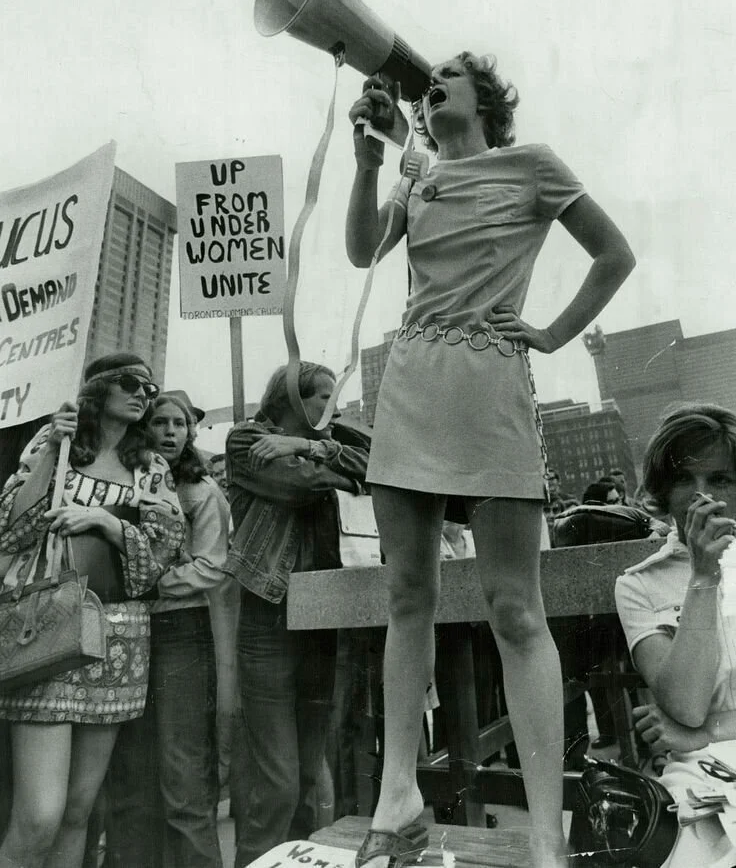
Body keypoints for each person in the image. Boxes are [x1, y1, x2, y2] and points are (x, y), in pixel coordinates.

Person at [345, 52, 635, 868]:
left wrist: (551, 334)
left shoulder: (533, 164)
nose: (430, 84)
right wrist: (367, 165)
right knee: (408, 594)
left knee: (516, 608)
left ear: (487, 99)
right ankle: (397, 797)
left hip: (491, 386)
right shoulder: (418, 175)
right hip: (411, 386)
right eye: (428, 80)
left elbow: (614, 254)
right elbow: (362, 250)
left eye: (449, 73)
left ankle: (545, 836)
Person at [0, 353, 185, 868]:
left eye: (149, 388)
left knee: (79, 810)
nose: (143, 394)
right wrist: (50, 451)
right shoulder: (53, 442)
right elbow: (8, 529)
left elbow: (164, 551)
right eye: (130, 382)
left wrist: (105, 521)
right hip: (46, 627)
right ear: (97, 388)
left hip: (120, 639)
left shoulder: (151, 466)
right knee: (39, 816)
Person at [224, 361, 370, 868]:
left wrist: (309, 446)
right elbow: (299, 486)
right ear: (290, 397)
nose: (333, 404)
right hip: (269, 615)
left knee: (308, 777)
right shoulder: (246, 439)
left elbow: (379, 463)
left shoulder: (323, 440)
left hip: (322, 618)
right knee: (278, 782)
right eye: (322, 396)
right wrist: (336, 470)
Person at [101, 390, 230, 868]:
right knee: (131, 768)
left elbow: (212, 566)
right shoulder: (128, 482)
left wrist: (151, 581)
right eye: (160, 423)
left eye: (179, 424)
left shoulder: (201, 490)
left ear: (190, 432)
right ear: (144, 428)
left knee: (183, 770)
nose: (170, 432)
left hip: (180, 629)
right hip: (129, 629)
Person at [615, 403, 736, 867]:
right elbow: (685, 704)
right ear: (664, 491)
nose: (702, 495)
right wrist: (704, 575)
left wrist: (703, 732)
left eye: (720, 479)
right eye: (685, 479)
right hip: (701, 775)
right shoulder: (638, 586)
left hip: (701, 742)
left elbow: (691, 724)